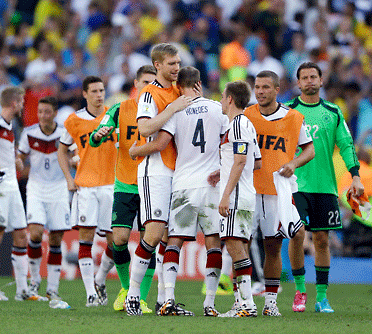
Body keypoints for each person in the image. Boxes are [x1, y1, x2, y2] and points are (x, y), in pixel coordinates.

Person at [129, 66, 229, 316]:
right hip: (211, 184)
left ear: (179, 85)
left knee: (173, 242)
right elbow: (227, 144)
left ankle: (168, 299)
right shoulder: (218, 108)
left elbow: (161, 143)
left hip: (183, 183)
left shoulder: (175, 110)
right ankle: (210, 304)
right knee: (213, 243)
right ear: (199, 84)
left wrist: (135, 152)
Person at [287, 62, 364, 313]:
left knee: (322, 240)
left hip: (325, 186)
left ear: (321, 81)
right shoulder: (287, 112)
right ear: (297, 83)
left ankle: (321, 298)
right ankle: (300, 291)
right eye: (304, 78)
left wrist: (355, 176)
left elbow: (346, 144)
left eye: (313, 77)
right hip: (295, 184)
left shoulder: (333, 112)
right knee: (297, 235)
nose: (309, 81)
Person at [124, 43, 193, 316]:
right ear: (158, 66)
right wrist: (173, 108)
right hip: (156, 169)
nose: (177, 68)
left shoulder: (179, 91)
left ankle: (165, 300)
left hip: (180, 169)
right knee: (152, 232)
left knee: (171, 236)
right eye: (172, 64)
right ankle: (133, 295)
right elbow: (144, 128)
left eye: (178, 63)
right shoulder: (149, 94)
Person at [244, 70, 315, 316]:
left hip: (276, 191)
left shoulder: (294, 118)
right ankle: (244, 301)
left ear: (276, 90)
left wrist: (293, 164)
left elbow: (309, 149)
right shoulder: (246, 116)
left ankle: (271, 304)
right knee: (240, 244)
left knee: (273, 246)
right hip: (248, 189)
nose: (260, 91)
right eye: (257, 87)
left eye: (265, 87)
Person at [89, 65, 157, 314]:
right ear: (136, 84)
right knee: (118, 239)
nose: (149, 87)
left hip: (152, 183)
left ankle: (142, 299)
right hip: (125, 184)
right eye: (145, 82)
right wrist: (100, 134)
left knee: (149, 242)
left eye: (154, 82)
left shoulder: (160, 110)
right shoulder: (121, 109)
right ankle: (129, 290)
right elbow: (95, 136)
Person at [57, 76, 117, 307]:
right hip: (86, 187)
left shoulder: (114, 116)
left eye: (101, 90)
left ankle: (100, 277)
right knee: (86, 240)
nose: (99, 95)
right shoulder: (74, 120)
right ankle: (90, 293)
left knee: (116, 242)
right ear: (84, 94)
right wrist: (68, 180)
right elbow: (62, 151)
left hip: (112, 185)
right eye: (94, 91)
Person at [0, 86, 40, 302]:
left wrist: (16, 159)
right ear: (14, 103)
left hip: (13, 185)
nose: (23, 105)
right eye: (21, 101)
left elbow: (6, 151)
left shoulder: (11, 126)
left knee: (20, 234)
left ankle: (21, 290)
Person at [17, 96, 71, 308]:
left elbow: (74, 154)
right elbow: (21, 156)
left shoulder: (64, 133)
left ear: (55, 113)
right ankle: (34, 281)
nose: (42, 116)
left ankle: (53, 288)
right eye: (40, 112)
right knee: (36, 233)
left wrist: (75, 161)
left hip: (58, 189)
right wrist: (19, 162)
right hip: (37, 188)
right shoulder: (29, 133)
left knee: (56, 238)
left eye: (46, 112)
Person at [217, 80, 260, 318]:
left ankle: (247, 304)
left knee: (235, 249)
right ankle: (240, 303)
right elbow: (257, 161)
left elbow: (242, 161)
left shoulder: (239, 125)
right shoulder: (246, 125)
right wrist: (222, 170)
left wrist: (225, 194)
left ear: (231, 99)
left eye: (223, 96)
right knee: (238, 249)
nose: (221, 100)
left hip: (236, 197)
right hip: (243, 193)